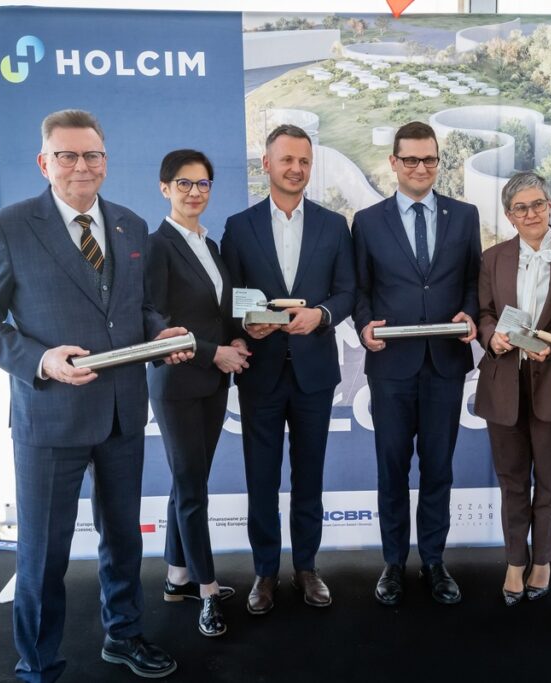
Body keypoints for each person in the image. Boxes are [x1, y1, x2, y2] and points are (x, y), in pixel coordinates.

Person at [0, 109, 189, 681]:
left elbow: (137, 309)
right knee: (42, 557)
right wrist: (40, 360)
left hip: (120, 413)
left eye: (91, 155)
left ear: (106, 163)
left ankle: (125, 635)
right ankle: (38, 663)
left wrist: (158, 333)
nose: (81, 166)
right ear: (45, 162)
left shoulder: (132, 227)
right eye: (67, 155)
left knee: (123, 542)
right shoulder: (8, 226)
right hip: (49, 418)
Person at [220, 124, 354, 615]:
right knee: (261, 479)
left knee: (309, 477)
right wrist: (245, 326)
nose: (296, 169)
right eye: (286, 160)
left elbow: (347, 292)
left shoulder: (334, 226)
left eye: (304, 161)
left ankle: (306, 568)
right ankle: (263, 573)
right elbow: (229, 298)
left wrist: (321, 315)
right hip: (261, 372)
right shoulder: (239, 226)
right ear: (266, 165)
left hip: (315, 373)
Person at [352, 121, 481, 606]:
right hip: (390, 366)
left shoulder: (464, 216)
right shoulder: (367, 221)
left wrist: (470, 310)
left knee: (439, 469)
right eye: (411, 159)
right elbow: (360, 290)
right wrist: (364, 324)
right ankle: (391, 563)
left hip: (445, 363)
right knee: (391, 469)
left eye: (429, 159)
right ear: (393, 163)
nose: (421, 168)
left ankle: (433, 561)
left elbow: (473, 279)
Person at [145, 149, 251, 637]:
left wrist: (238, 338)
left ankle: (177, 576)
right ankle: (207, 592)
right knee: (192, 490)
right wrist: (214, 352)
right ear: (165, 188)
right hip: (179, 382)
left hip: (211, 379)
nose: (194, 193)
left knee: (190, 481)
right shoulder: (156, 246)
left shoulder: (210, 245)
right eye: (184, 184)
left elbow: (218, 310)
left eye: (203, 184)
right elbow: (157, 322)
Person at [474, 172, 551, 606]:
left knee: (550, 482)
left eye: (538, 204)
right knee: (512, 480)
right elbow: (484, 312)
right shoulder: (493, 257)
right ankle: (516, 559)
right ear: (509, 216)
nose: (530, 213)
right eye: (520, 208)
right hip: (504, 384)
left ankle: (544, 559)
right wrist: (492, 336)